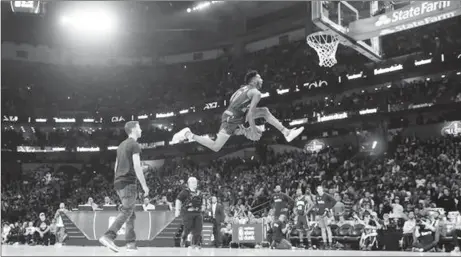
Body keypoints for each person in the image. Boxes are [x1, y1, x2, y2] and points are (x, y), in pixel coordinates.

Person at [172, 70, 304, 152]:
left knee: (264, 111)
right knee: (216, 147)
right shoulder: (256, 93)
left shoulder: (240, 90)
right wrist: (251, 128)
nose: (262, 79)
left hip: (232, 115)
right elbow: (251, 113)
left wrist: (244, 126)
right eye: (259, 77)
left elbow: (234, 104)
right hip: (233, 118)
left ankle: (286, 132)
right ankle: (188, 134)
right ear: (253, 80)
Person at [99, 121, 149, 253]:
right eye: (139, 127)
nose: (141, 130)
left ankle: (131, 243)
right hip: (128, 182)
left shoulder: (121, 146)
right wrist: (144, 185)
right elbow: (137, 166)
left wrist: (118, 179)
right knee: (127, 210)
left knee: (130, 213)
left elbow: (116, 167)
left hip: (119, 182)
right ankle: (108, 236)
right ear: (133, 130)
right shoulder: (134, 144)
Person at [176, 177, 205, 249]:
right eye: (192, 182)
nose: (194, 183)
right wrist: (177, 210)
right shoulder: (185, 192)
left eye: (195, 182)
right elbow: (178, 200)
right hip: (188, 213)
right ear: (188, 183)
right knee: (187, 229)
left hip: (198, 213)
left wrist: (204, 206)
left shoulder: (199, 192)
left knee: (198, 229)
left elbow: (203, 200)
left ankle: (195, 244)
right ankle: (183, 239)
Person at [313, 185, 336, 250]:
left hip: (327, 215)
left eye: (320, 189)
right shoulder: (317, 196)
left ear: (322, 189)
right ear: (317, 190)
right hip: (320, 215)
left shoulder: (326, 195)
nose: (319, 190)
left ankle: (330, 244)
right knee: (323, 230)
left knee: (328, 229)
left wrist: (328, 208)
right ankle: (325, 244)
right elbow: (317, 204)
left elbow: (334, 201)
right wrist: (316, 211)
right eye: (318, 189)